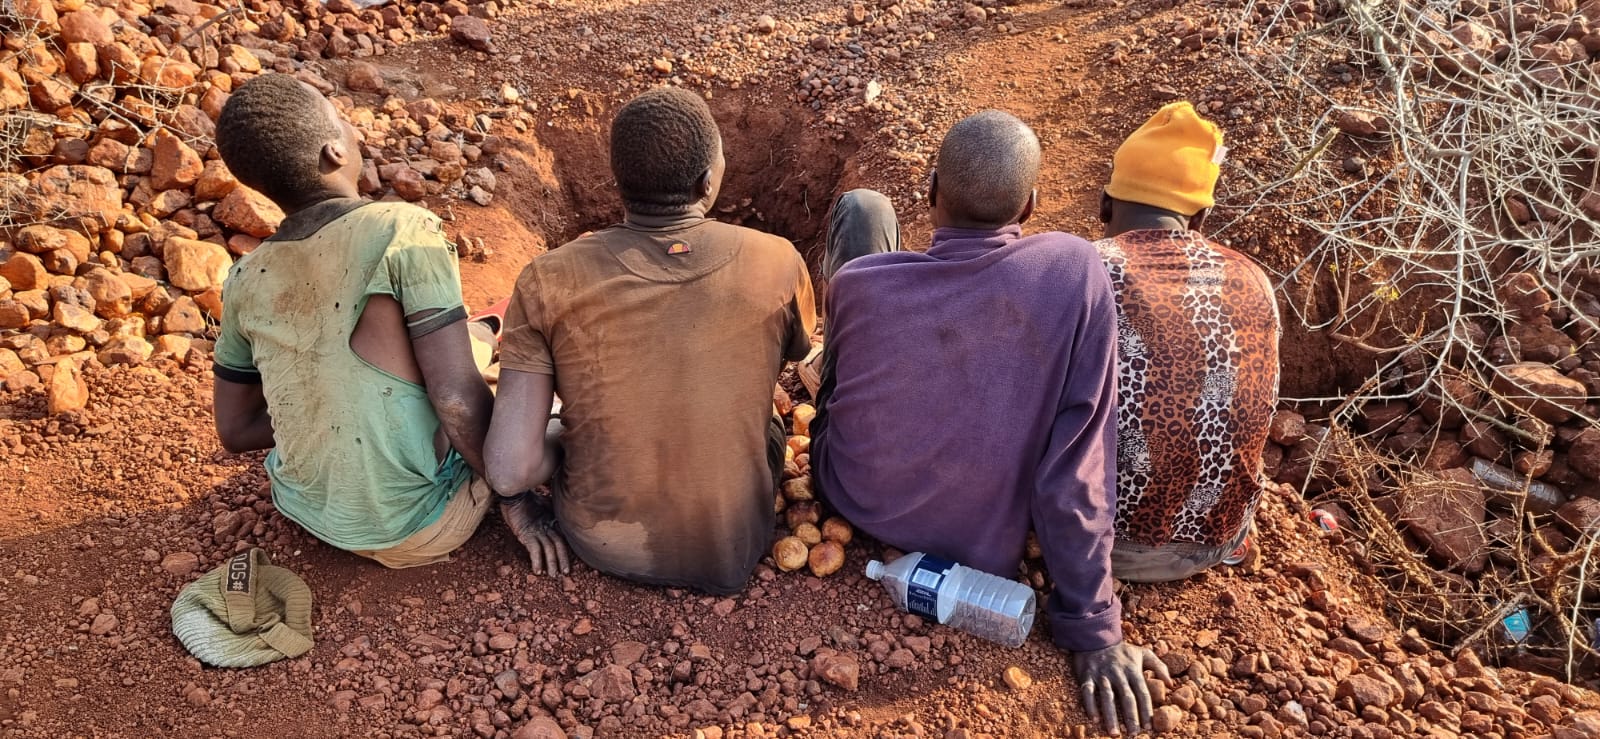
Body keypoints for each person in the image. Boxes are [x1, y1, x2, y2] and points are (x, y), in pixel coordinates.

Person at [810, 111, 1169, 736]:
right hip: (982, 546)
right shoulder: (1072, 269)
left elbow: (838, 391)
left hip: (853, 500)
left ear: (929, 189)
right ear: (1030, 205)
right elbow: (1078, 463)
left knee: (864, 213)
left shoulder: (857, 281)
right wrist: (1092, 624)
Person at [210, 74, 551, 570]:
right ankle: (489, 332)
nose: (352, 128)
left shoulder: (246, 276)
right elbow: (453, 396)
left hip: (307, 509)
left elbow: (236, 429)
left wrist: (317, 418)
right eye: (342, 119)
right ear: (333, 152)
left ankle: (483, 330)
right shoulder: (402, 228)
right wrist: (517, 500)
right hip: (418, 527)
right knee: (535, 403)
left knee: (447, 345)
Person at [484, 87, 817, 593]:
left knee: (562, 420)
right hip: (736, 541)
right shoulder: (777, 259)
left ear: (617, 184)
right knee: (765, 420)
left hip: (601, 543)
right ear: (708, 180)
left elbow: (510, 471)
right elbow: (798, 355)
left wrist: (552, 454)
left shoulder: (548, 279)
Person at [1093, 102, 1280, 582]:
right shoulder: (1253, 280)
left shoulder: (1085, 270)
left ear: (1104, 205)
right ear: (1199, 220)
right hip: (1216, 542)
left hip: (1093, 544)